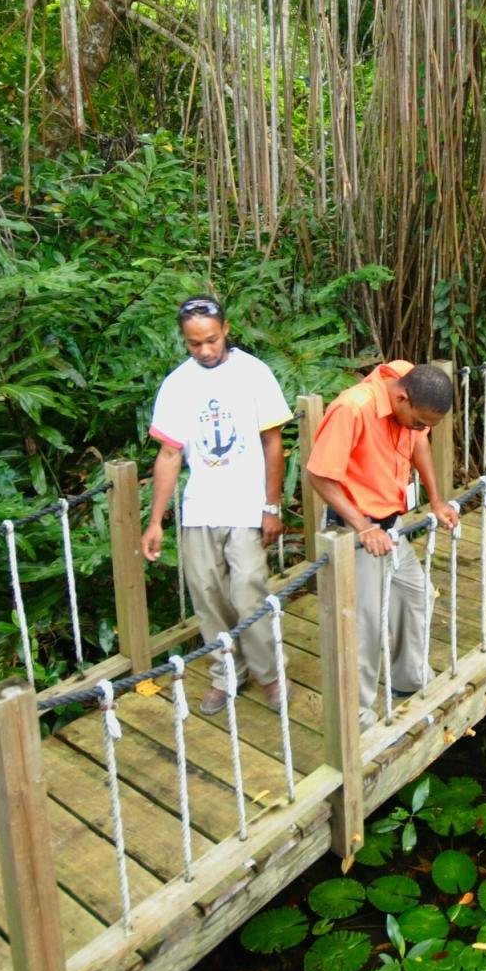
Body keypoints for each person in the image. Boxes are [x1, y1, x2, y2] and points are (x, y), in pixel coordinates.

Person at [140, 295, 293, 715]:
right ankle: (227, 674)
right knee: (207, 598)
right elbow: (170, 455)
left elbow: (272, 443)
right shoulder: (177, 384)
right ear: (185, 341)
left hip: (246, 505)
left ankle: (270, 673)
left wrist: (272, 506)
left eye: (210, 340)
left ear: (226, 329)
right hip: (200, 508)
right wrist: (156, 520)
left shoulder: (254, 374)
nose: (205, 350)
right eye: (194, 344)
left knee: (249, 590)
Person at [305, 361, 460, 729]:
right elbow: (319, 474)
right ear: (402, 399)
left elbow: (418, 442)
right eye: (420, 420)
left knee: (417, 594)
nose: (422, 429)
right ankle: (356, 714)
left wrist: (436, 500)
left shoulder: (406, 378)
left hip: (392, 524)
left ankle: (409, 678)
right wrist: (362, 527)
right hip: (354, 531)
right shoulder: (352, 408)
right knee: (365, 624)